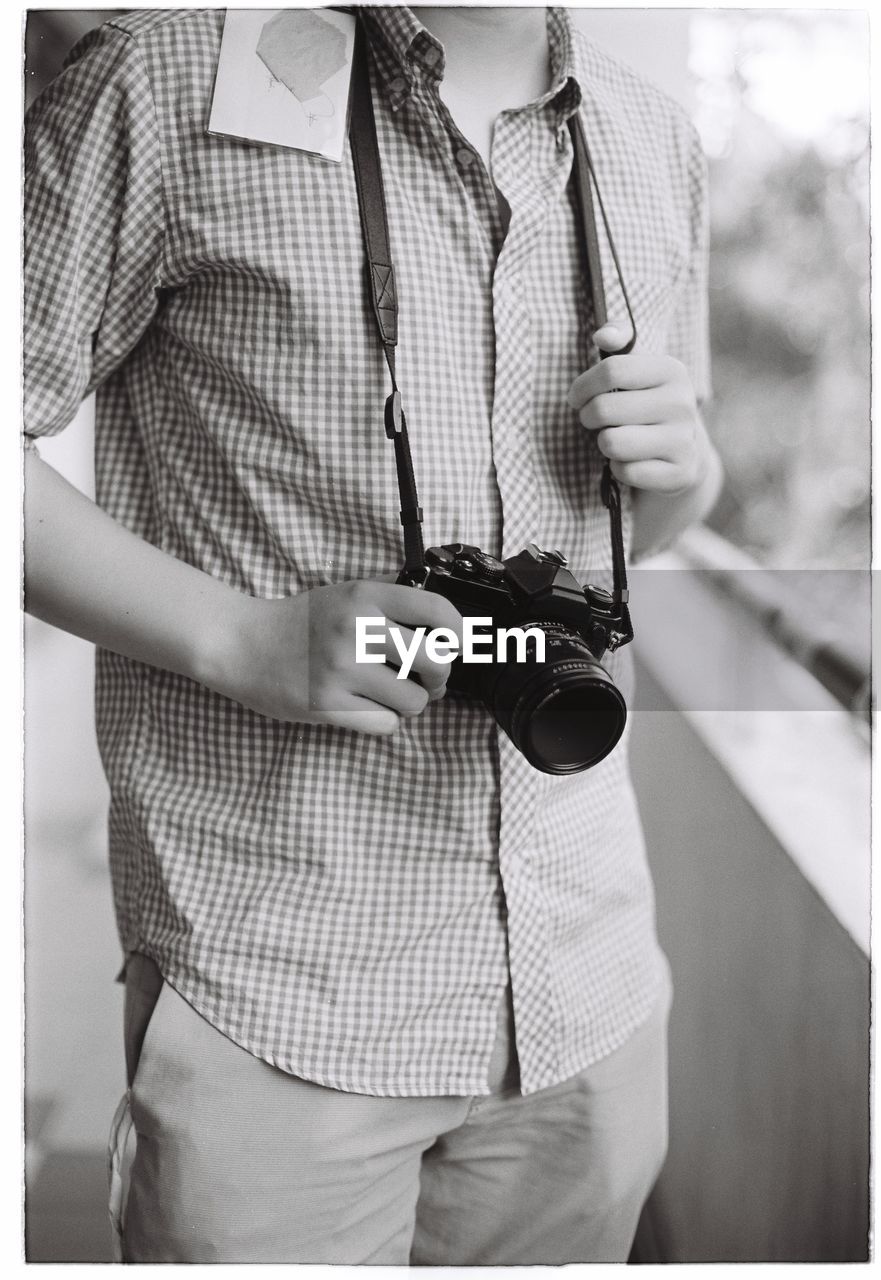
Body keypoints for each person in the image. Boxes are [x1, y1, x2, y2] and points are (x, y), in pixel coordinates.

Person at [23, 4, 722, 1265]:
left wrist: (684, 473)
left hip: (587, 982)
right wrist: (238, 638)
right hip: (277, 983)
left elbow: (643, 517)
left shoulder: (648, 137)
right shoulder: (166, 78)